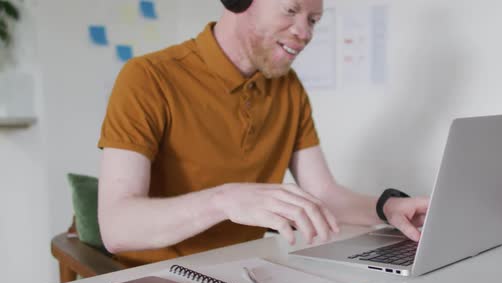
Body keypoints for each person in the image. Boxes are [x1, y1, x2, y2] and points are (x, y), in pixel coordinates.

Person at [97, 0, 429, 267]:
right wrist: (223, 200)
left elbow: (323, 193)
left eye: (313, 19)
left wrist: (387, 208)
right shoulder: (148, 77)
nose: (304, 32)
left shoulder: (288, 88)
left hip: (246, 273)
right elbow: (116, 227)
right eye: (291, 10)